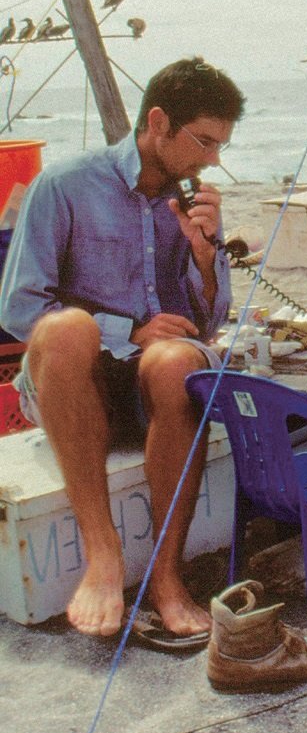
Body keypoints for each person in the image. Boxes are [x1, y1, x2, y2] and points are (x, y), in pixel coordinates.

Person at [0, 57, 245, 640]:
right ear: (157, 121)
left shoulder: (187, 204)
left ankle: (167, 577)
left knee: (177, 359)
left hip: (152, 398)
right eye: (204, 141)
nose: (214, 159)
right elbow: (18, 309)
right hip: (71, 388)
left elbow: (204, 328)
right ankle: (103, 552)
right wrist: (125, 330)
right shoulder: (64, 184)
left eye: (220, 145)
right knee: (68, 329)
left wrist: (206, 261)